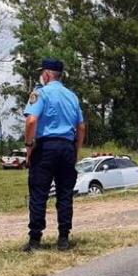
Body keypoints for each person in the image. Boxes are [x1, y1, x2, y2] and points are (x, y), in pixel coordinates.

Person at [22, 58, 86, 252]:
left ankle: (35, 240)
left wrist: (28, 146)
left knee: (39, 193)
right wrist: (76, 150)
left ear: (47, 74)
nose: (41, 76)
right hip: (67, 147)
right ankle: (64, 238)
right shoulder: (72, 96)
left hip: (45, 148)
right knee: (65, 193)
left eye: (42, 73)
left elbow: (31, 121)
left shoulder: (40, 93)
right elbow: (81, 126)